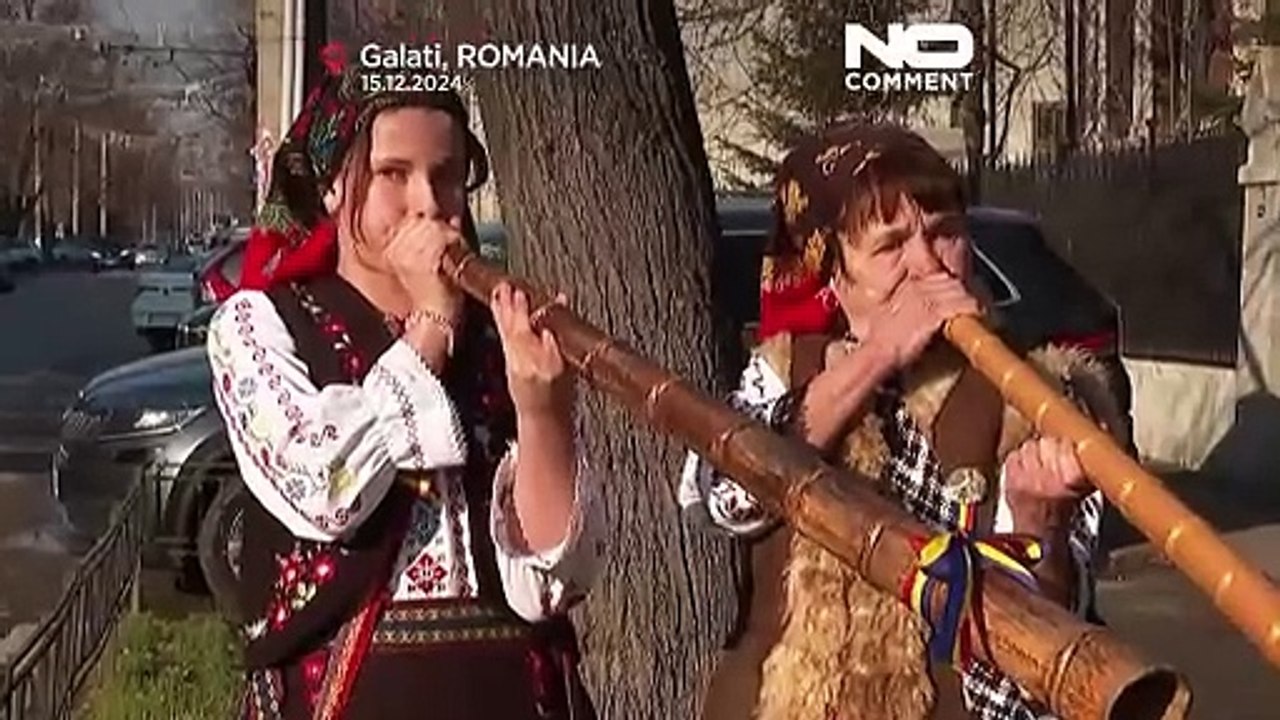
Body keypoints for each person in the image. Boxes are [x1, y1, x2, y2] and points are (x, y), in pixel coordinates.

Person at [679, 123, 1128, 720]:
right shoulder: (785, 370)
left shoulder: (1040, 395)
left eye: (945, 234)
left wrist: (1039, 521)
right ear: (835, 274)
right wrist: (878, 355)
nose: (927, 266)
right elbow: (722, 500)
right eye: (891, 246)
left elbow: (1049, 654)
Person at [207, 65, 602, 719]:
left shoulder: (500, 333)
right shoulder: (258, 325)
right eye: (393, 173)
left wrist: (544, 413)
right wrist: (431, 325)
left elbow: (552, 589)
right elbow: (325, 487)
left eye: (446, 175)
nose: (428, 203)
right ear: (334, 186)